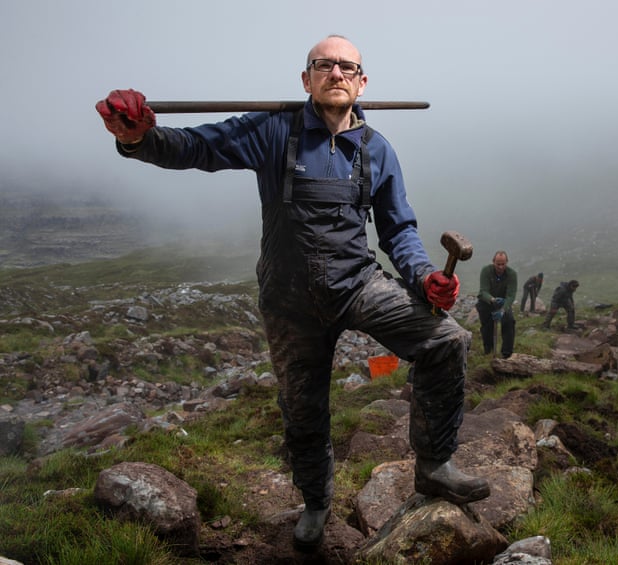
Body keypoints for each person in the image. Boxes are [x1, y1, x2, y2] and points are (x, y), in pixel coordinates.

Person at [95, 34, 489, 552]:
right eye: (323, 65)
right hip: (288, 299)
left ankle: (435, 464)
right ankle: (317, 503)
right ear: (306, 80)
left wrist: (422, 277)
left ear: (362, 82)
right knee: (303, 409)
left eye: (348, 67)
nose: (337, 73)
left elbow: (398, 230)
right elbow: (196, 146)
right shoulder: (272, 131)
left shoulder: (377, 149)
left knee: (445, 340)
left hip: (357, 284)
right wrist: (138, 138)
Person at [476, 251, 517, 358]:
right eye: (498, 264)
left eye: (503, 264)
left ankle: (507, 353)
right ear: (493, 262)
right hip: (487, 301)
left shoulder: (512, 274)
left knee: (509, 322)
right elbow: (483, 291)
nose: (500, 267)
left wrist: (503, 310)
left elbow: (511, 295)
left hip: (503, 303)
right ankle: (488, 351)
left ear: (507, 262)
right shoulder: (486, 271)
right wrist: (492, 299)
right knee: (487, 327)